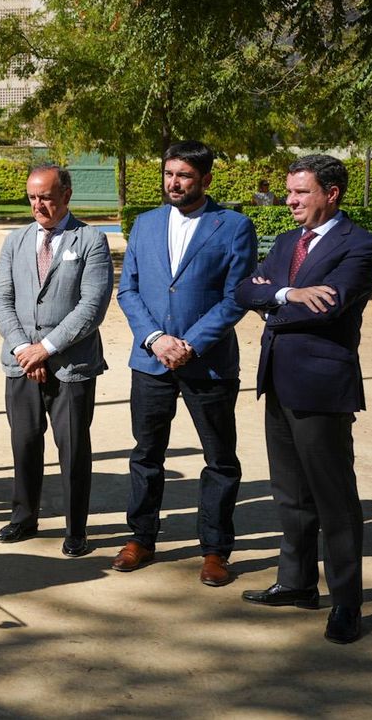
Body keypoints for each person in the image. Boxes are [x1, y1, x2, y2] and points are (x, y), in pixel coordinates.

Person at [236, 155, 372, 645]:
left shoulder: (360, 244)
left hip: (321, 386)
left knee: (334, 499)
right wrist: (287, 295)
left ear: (331, 193)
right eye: (289, 191)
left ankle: (346, 603)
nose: (290, 201)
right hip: (277, 380)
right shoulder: (286, 242)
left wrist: (271, 299)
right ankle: (297, 582)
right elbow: (244, 290)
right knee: (290, 493)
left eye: (300, 192)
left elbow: (330, 305)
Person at [115, 140, 257, 585]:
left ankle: (215, 550)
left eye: (184, 176)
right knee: (146, 454)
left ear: (206, 179)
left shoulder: (233, 226)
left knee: (219, 458)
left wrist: (190, 344)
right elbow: (128, 290)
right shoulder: (145, 224)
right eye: (169, 173)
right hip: (151, 361)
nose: (173, 183)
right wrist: (156, 339)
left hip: (208, 364)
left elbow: (237, 297)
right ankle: (141, 537)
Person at [0, 166, 113, 556]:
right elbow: (1, 300)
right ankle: (24, 518)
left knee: (73, 449)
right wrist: (23, 349)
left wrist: (45, 348)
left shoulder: (91, 240)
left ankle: (76, 528)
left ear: (66, 195)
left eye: (45, 197)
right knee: (24, 444)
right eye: (32, 197)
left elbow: (91, 307)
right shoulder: (15, 241)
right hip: (21, 363)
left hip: (71, 366)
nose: (38, 205)